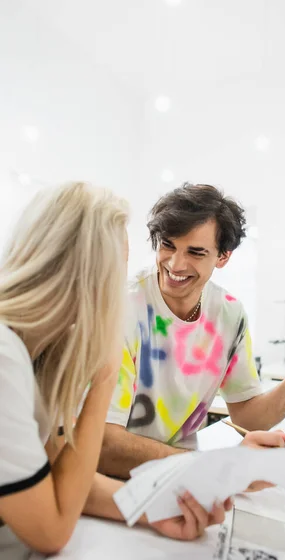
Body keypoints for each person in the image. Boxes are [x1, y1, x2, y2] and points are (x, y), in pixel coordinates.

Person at [0, 182, 236, 559]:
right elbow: (51, 531)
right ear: (84, 275)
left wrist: (150, 507)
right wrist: (105, 373)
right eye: (117, 273)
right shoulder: (4, 356)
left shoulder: (39, 350)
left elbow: (55, 481)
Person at [99, 183, 285, 479]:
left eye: (195, 252)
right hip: (113, 483)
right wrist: (210, 467)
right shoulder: (121, 307)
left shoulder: (228, 314)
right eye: (168, 245)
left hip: (179, 477)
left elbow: (248, 418)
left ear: (223, 257)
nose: (175, 264)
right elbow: (104, 446)